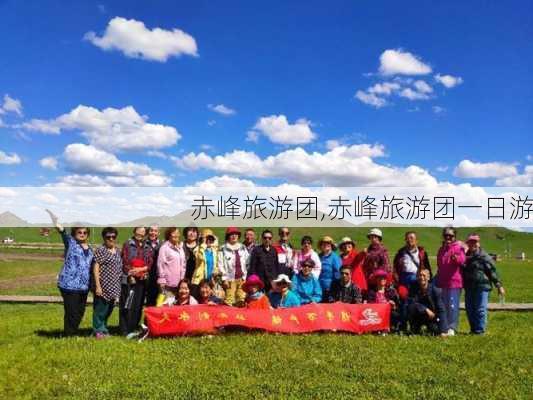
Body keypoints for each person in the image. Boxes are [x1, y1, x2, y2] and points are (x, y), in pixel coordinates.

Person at [46, 209, 94, 336]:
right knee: (71, 311)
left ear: (87, 234)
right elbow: (61, 231)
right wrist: (55, 220)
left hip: (84, 286)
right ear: (74, 233)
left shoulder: (91, 249)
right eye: (79, 232)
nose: (82, 234)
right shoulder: (71, 243)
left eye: (84, 232)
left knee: (80, 311)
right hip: (69, 284)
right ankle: (69, 335)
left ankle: (72, 332)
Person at [463, 234, 505, 334]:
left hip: (482, 286)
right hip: (469, 287)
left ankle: (480, 330)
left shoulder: (484, 256)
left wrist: (499, 286)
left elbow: (492, 271)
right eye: (471, 242)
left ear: (478, 243)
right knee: (470, 309)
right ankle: (473, 329)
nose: (473, 244)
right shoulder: (465, 256)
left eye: (475, 242)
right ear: (467, 243)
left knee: (480, 309)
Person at [120, 226, 153, 337]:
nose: (140, 234)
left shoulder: (147, 246)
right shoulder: (128, 245)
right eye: (138, 232)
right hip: (130, 279)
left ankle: (133, 327)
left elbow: (149, 262)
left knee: (138, 304)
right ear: (134, 232)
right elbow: (124, 261)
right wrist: (131, 274)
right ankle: (125, 329)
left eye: (143, 232)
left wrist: (143, 270)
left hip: (142, 279)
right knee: (128, 303)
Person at [92, 227, 122, 339]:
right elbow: (95, 268)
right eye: (108, 237)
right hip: (103, 286)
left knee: (108, 310)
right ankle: (98, 331)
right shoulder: (101, 250)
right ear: (104, 238)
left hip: (114, 286)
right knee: (100, 310)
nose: (111, 239)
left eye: (113, 237)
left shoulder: (118, 251)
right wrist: (98, 286)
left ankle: (103, 329)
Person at [436, 227, 466, 336]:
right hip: (442, 282)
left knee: (452, 305)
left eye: (451, 235)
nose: (448, 237)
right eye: (446, 235)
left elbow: (463, 260)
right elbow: (439, 264)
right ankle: (445, 326)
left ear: (454, 237)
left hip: (454, 282)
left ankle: (452, 327)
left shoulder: (458, 247)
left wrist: (456, 259)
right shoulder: (441, 249)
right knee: (443, 305)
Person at [408, 269, 448, 336]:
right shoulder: (413, 288)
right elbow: (411, 303)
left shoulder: (435, 291)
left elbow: (441, 309)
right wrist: (425, 309)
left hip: (431, 317)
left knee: (435, 330)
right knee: (410, 307)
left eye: (424, 275)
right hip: (418, 315)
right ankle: (415, 327)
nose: (422, 277)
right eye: (420, 275)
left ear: (428, 278)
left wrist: (443, 330)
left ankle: (431, 328)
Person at [218, 227, 249, 306]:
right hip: (230, 280)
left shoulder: (243, 247)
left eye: (236, 234)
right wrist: (224, 279)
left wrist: (245, 277)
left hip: (242, 278)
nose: (234, 236)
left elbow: (247, 262)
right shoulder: (223, 248)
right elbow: (220, 264)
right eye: (231, 234)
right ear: (228, 236)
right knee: (229, 300)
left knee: (241, 300)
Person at [157, 227, 186, 305]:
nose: (176, 235)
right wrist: (162, 280)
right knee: (167, 305)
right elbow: (161, 264)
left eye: (177, 233)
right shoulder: (164, 248)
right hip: (168, 283)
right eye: (174, 233)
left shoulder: (180, 248)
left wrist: (183, 279)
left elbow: (183, 264)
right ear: (169, 235)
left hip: (179, 283)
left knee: (177, 306)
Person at [191, 229, 219, 297]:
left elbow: (216, 265)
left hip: (210, 281)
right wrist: (203, 244)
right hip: (199, 281)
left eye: (210, 239)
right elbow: (200, 258)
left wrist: (215, 272)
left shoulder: (214, 251)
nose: (208, 241)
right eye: (206, 239)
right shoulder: (197, 249)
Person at [318, 236, 342, 302]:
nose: (326, 245)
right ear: (321, 246)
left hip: (330, 289)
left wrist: (335, 288)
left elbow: (338, 273)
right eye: (323, 243)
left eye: (328, 243)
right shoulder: (319, 256)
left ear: (331, 245)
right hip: (319, 288)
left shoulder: (335, 257)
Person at [145, 224, 161, 306]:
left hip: (158, 278)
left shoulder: (162, 245)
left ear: (159, 233)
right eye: (151, 230)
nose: (153, 233)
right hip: (145, 277)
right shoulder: (143, 244)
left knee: (158, 302)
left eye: (155, 231)